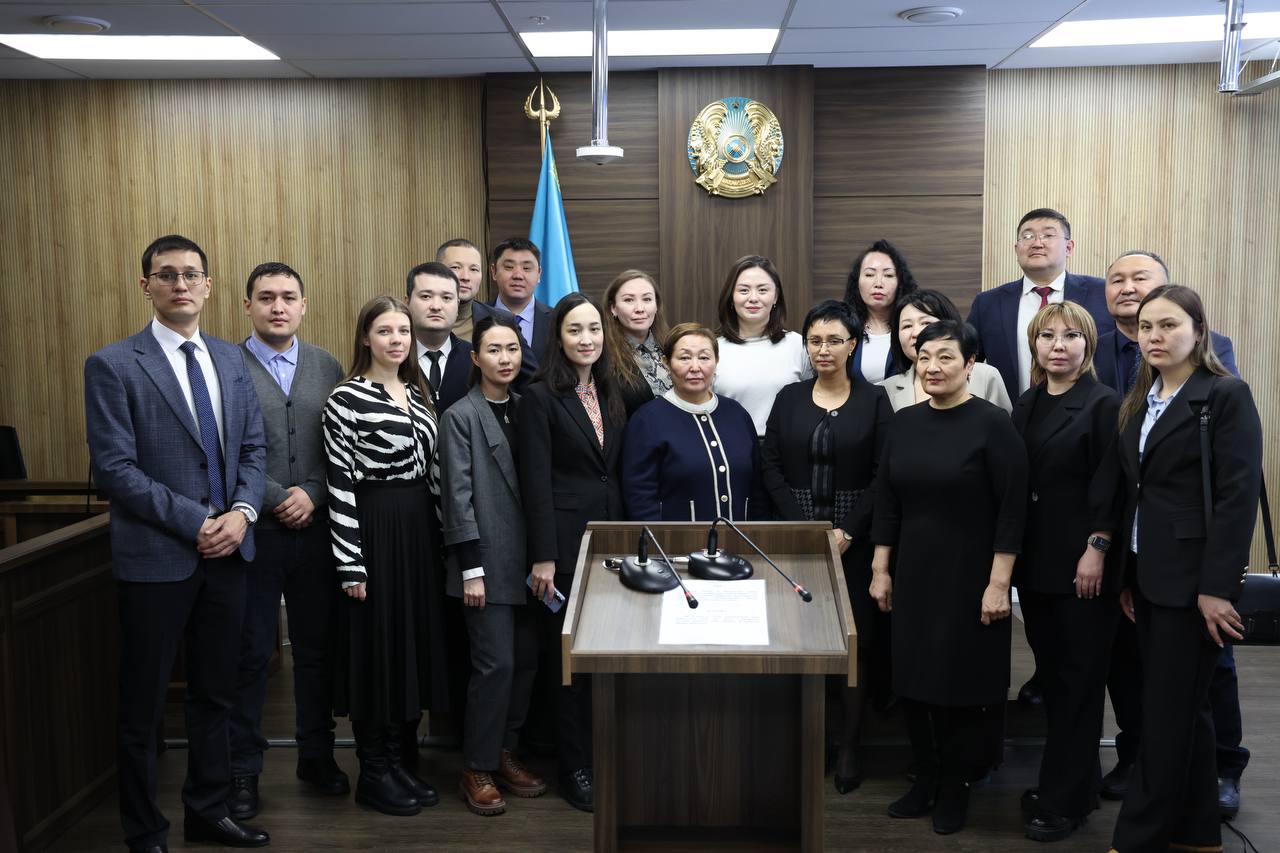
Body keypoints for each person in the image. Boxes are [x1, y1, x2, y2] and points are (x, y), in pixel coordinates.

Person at [85, 234, 269, 851]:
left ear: (209, 286)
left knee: (217, 695)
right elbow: (115, 470)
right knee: (143, 707)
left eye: (191, 274)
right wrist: (198, 521)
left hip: (230, 555)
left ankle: (207, 812)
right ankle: (145, 831)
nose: (180, 284)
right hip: (157, 558)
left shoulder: (231, 359)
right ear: (147, 286)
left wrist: (243, 513)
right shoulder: (114, 364)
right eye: (167, 275)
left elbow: (253, 448)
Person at [1100, 284, 1262, 853]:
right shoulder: (1140, 400)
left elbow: (1238, 499)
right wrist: (1127, 576)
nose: (1154, 336)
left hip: (1194, 583)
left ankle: (1137, 837)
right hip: (1148, 576)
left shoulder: (1224, 394)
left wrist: (1217, 588)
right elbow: (1136, 493)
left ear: (1198, 330)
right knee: (1186, 710)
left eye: (1168, 325)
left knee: (1167, 715)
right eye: (1146, 327)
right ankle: (1197, 834)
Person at [869, 320, 1028, 836]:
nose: (933, 367)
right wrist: (880, 569)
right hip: (913, 572)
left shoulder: (993, 424)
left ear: (970, 364)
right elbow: (887, 503)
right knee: (913, 679)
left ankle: (957, 785)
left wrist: (999, 584)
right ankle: (926, 776)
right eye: (924, 357)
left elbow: (1012, 511)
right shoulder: (904, 423)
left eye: (946, 357)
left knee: (961, 683)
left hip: (971, 576)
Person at [323, 295, 449, 817]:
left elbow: (435, 474)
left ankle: (398, 762)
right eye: (385, 331)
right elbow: (339, 484)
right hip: (373, 528)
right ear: (365, 338)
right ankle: (373, 772)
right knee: (375, 648)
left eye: (403, 332)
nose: (397, 340)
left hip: (418, 532)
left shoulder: (419, 394)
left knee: (408, 644)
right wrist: (350, 562)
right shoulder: (346, 398)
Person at [229, 262, 347, 822]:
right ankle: (243, 772)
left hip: (319, 532)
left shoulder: (327, 365)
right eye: (266, 297)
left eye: (288, 297)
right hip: (255, 532)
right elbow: (222, 449)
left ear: (304, 305)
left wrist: (314, 493)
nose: (278, 306)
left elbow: (343, 444)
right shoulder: (226, 366)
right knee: (251, 654)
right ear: (247, 305)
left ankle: (316, 757)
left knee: (317, 651)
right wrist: (279, 496)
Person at [761, 299, 892, 794]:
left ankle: (851, 745)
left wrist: (848, 531)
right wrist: (803, 528)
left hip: (855, 544)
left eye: (834, 340)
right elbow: (770, 464)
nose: (823, 349)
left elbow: (884, 473)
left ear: (852, 345)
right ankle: (812, 741)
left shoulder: (874, 400)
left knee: (855, 645)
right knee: (801, 642)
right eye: (814, 340)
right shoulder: (789, 398)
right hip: (797, 543)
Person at [1009, 301, 1121, 843]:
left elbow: (1113, 485)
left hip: (1083, 564)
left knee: (1078, 683)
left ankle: (1064, 803)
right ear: (1034, 343)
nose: (1058, 345)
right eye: (1047, 335)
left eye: (1071, 336)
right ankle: (1077, 784)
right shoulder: (1027, 402)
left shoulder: (1103, 404)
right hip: (1036, 564)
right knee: (1055, 680)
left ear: (1088, 345)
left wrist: (1097, 546)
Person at [518, 292, 628, 813]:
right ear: (557, 338)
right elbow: (535, 481)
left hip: (611, 544)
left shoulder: (611, 389)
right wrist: (543, 556)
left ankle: (602, 755)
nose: (587, 339)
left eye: (594, 329)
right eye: (575, 330)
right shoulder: (539, 397)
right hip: (561, 550)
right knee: (567, 663)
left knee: (602, 657)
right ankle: (573, 768)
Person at [439, 314, 547, 817]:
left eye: (512, 349)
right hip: (484, 562)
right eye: (494, 350)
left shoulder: (528, 407)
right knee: (494, 664)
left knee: (525, 663)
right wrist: (470, 568)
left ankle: (505, 751)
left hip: (529, 561)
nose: (505, 359)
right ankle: (476, 766)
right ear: (475, 357)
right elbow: (456, 498)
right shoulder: (461, 415)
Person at [966, 207, 1112, 402]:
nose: (1036, 243)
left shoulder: (1102, 293)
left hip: (1089, 413)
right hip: (1010, 415)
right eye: (1027, 236)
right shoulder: (988, 303)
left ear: (1069, 248)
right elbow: (966, 360)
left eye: (1048, 235)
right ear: (1016, 249)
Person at [622, 323, 764, 521]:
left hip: (740, 538)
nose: (695, 367)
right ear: (666, 363)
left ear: (716, 361)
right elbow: (639, 497)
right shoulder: (647, 420)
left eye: (704, 358)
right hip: (674, 540)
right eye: (684, 358)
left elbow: (758, 488)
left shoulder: (737, 414)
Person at [712, 255, 813, 437]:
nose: (753, 298)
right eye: (744, 290)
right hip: (730, 444)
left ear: (776, 297)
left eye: (762, 290)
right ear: (731, 297)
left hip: (787, 446)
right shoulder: (713, 348)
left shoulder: (798, 345)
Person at [878, 289, 1011, 413]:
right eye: (907, 326)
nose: (916, 333)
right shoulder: (885, 389)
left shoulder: (985, 376)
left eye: (926, 323)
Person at [843, 239, 919, 383]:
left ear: (900, 282)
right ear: (857, 281)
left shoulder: (913, 329)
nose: (878, 284)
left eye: (888, 275)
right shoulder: (845, 328)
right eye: (869, 275)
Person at [407, 261, 472, 414]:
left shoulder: (475, 359)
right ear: (406, 302)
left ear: (457, 305)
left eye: (446, 298)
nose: (436, 306)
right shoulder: (393, 359)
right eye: (426, 296)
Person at [603, 268, 671, 406]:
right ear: (613, 308)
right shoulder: (603, 355)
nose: (640, 308)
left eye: (647, 299)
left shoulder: (672, 346)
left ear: (656, 305)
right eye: (629, 300)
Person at [490, 237, 553, 372]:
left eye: (527, 268)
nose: (518, 275)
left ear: (539, 274)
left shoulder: (556, 320)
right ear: (494, 272)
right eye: (509, 267)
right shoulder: (477, 316)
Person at [437, 238, 486, 342]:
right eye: (456, 267)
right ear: (437, 271)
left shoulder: (500, 321)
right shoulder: (411, 321)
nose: (465, 277)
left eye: (474, 269)